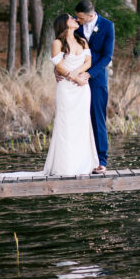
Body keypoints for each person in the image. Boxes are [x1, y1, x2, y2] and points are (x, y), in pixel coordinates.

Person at [43, 13, 99, 177]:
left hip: (82, 89)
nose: (75, 19)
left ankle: (82, 165)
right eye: (70, 18)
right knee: (65, 124)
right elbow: (59, 66)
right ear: (64, 23)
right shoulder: (57, 43)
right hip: (66, 88)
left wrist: (79, 75)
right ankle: (65, 167)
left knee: (81, 125)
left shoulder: (82, 41)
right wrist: (74, 78)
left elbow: (88, 62)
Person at [73, 0, 115, 175]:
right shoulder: (74, 25)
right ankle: (79, 159)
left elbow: (107, 57)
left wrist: (90, 74)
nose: (78, 20)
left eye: (81, 18)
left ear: (91, 15)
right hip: (75, 76)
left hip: (96, 77)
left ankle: (101, 160)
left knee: (97, 118)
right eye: (77, 17)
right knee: (77, 117)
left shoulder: (107, 26)